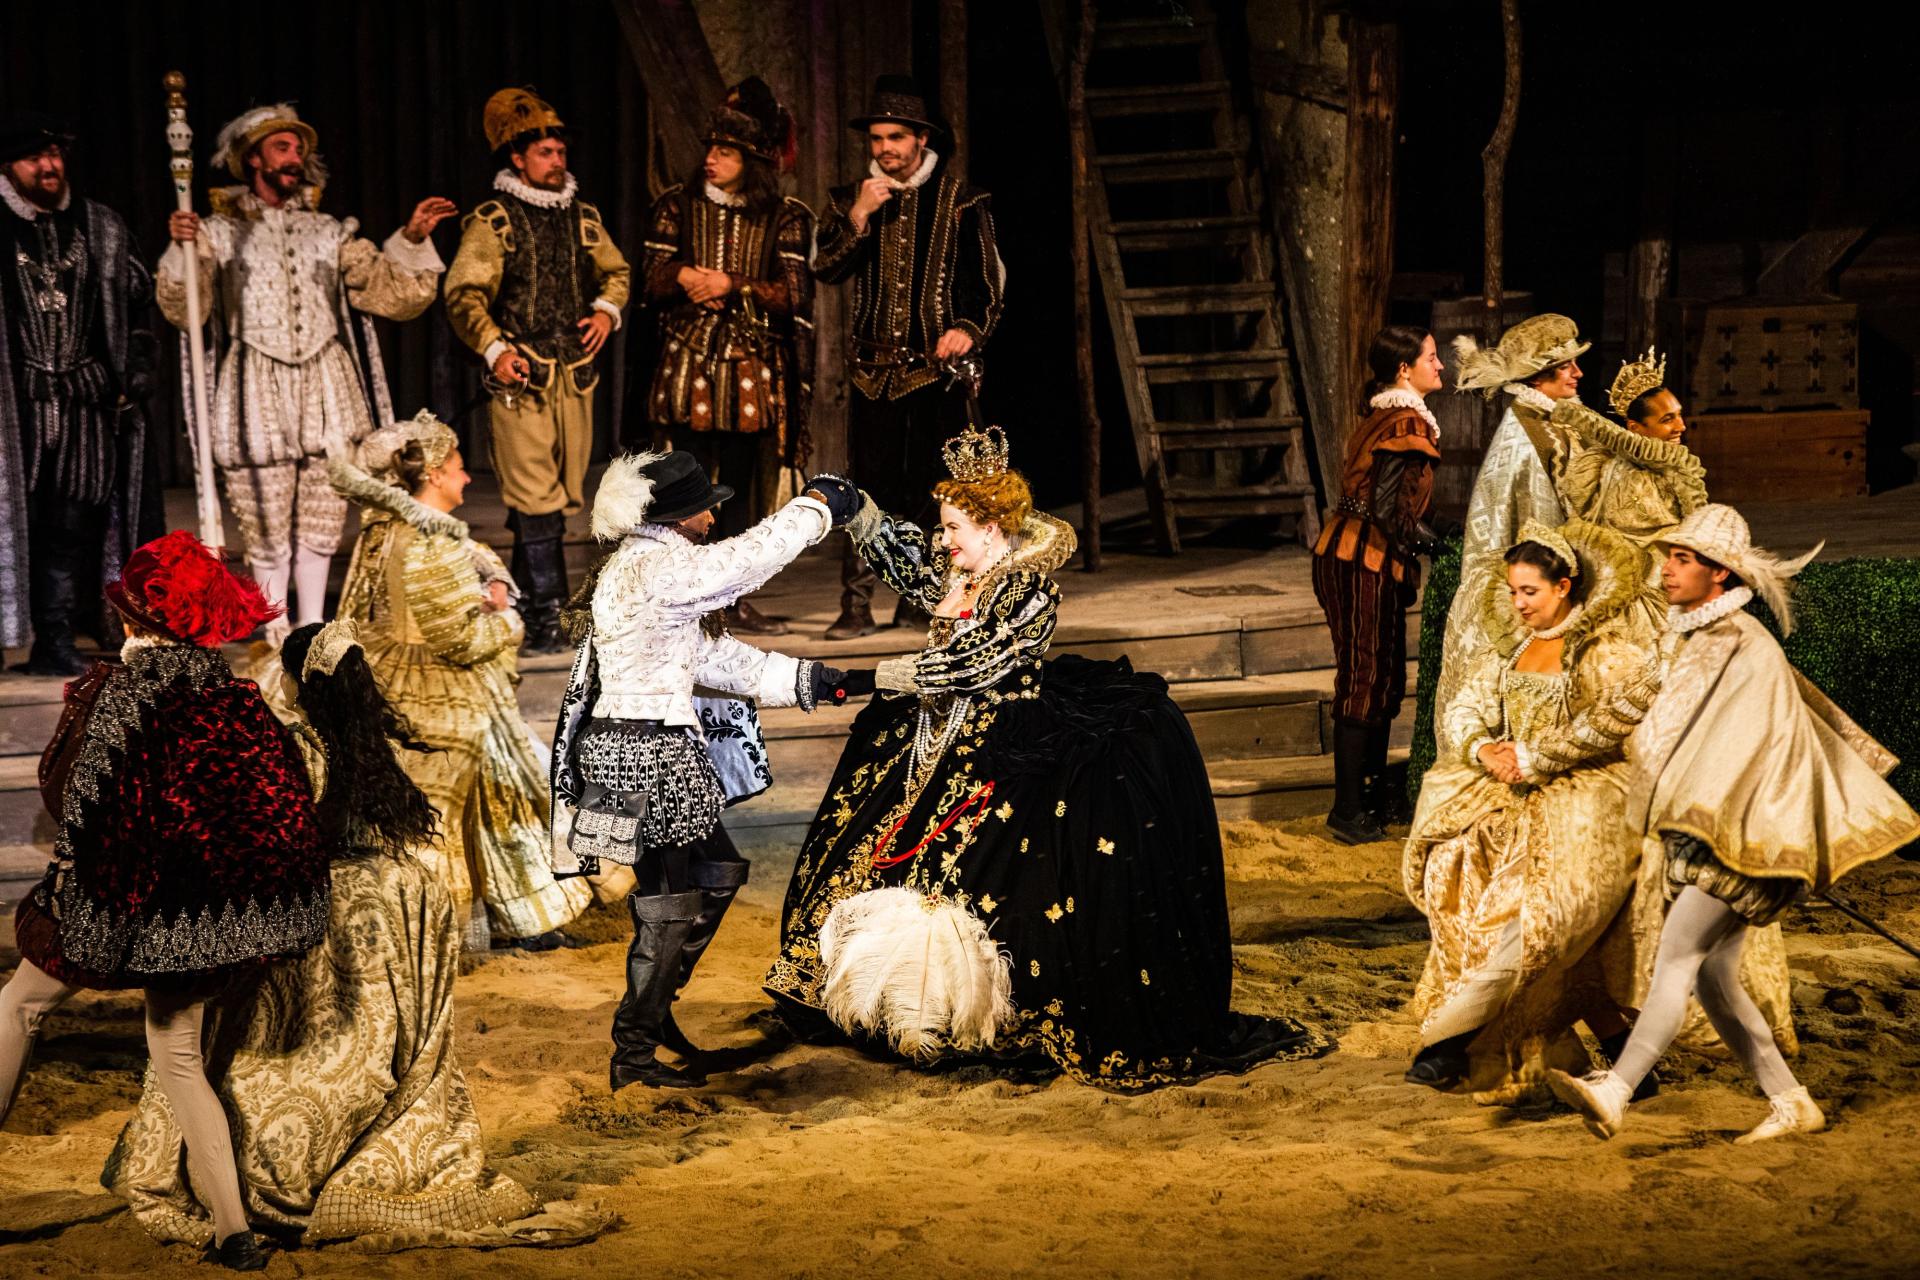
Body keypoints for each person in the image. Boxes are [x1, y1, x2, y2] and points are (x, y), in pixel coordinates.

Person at [765, 424, 1331, 1090]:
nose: (942, 541)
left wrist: (878, 677)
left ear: (990, 528)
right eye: (943, 529)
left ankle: (951, 1005)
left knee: (984, 875)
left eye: (952, 528)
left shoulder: (1028, 590)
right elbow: (909, 563)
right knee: (873, 838)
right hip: (934, 732)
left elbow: (972, 664)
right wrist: (857, 511)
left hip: (1007, 738)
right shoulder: (961, 568)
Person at [107, 619, 594, 1254]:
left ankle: (263, 1177)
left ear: (293, 682)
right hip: (396, 902)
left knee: (278, 1045)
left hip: (325, 906)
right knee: (381, 1045)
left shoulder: (287, 746)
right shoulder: (370, 745)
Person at [1538, 505, 1920, 1142]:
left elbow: (1745, 749)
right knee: (1714, 978)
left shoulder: (1739, 643)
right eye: (1669, 557)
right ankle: (1791, 1101)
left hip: (1747, 839)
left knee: (1676, 957)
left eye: (1683, 559)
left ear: (1719, 573)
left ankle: (1617, 1088)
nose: (1667, 569)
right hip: (1726, 832)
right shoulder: (1703, 638)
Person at [0, 531, 328, 1271]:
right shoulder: (238, 701)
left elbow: (71, 800)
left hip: (124, 902)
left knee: (19, 1006)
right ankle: (234, 1233)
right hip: (211, 921)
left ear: (133, 619)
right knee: (179, 1055)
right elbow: (281, 810)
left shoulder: (122, 695)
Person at [1397, 519, 1767, 1103]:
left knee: (1538, 916)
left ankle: (1452, 1042)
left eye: (1530, 591)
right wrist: (1484, 748)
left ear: (1564, 586)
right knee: (1468, 877)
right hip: (1508, 792)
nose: (1519, 604)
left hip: (1588, 795)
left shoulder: (1604, 651)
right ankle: (1625, 1058)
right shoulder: (1512, 650)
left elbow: (1610, 725)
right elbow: (1466, 706)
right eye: (1513, 592)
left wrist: (1534, 757)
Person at [551, 451, 861, 1091]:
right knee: (670, 902)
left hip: (638, 748)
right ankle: (634, 1054)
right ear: (678, 517)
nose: (715, 516)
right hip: (648, 755)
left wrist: (827, 681)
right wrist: (815, 510)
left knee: (717, 871)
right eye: (706, 508)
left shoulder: (642, 566)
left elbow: (716, 662)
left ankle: (655, 1007)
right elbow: (747, 561)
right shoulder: (658, 567)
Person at [158, 104, 454, 641]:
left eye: (299, 149)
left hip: (324, 386)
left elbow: (384, 289)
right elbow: (185, 309)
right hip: (255, 385)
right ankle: (274, 629)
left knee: (323, 512)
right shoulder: (219, 232)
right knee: (265, 517)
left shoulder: (329, 232)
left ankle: (314, 628)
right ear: (253, 159)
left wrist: (411, 238)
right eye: (282, 147)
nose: (295, 158)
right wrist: (184, 250)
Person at [330, 409, 591, 949]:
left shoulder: (386, 527)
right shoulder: (431, 542)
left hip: (397, 681)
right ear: (433, 475)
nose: (468, 478)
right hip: (443, 690)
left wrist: (486, 584)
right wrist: (509, 621)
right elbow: (461, 639)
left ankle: (496, 917)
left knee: (469, 801)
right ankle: (506, 920)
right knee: (489, 801)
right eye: (458, 468)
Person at [812, 75, 1005, 638]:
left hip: (931, 372)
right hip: (872, 373)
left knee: (930, 488)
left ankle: (920, 598)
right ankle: (855, 604)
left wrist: (966, 329)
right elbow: (825, 268)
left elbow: (989, 286)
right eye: (877, 139)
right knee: (865, 489)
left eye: (895, 137)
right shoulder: (850, 198)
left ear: (922, 138)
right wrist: (858, 216)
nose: (885, 149)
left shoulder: (961, 200)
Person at [444, 87, 631, 654]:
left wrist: (606, 310)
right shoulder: (494, 220)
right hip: (521, 379)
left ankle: (527, 604)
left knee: (559, 498)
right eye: (545, 153)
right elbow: (464, 292)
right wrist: (495, 348)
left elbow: (616, 272)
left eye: (560, 151)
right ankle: (552, 616)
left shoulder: (583, 216)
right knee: (535, 497)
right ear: (518, 159)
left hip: (573, 376)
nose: (557, 160)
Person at [640, 77, 815, 636]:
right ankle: (681, 592)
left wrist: (732, 283)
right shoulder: (677, 205)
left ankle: (732, 598)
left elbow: (794, 294)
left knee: (737, 487)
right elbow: (650, 279)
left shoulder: (784, 216)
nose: (711, 159)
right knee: (684, 482)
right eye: (711, 149)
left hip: (748, 367)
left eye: (726, 152)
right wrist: (684, 275)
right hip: (688, 360)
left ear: (751, 162)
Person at [1, 113, 159, 674]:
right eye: (34, 158)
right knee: (18, 522)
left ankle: (60, 636)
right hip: (13, 412)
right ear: (8, 166)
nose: (49, 167)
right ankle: (22, 635)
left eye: (55, 156)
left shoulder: (99, 226)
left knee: (72, 523)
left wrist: (134, 367)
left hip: (84, 407)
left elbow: (139, 303)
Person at [1311, 325, 1448, 842]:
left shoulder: (1389, 415)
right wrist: (1437, 546)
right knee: (1366, 676)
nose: (1440, 365)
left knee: (1382, 676)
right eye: (1431, 357)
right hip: (1360, 557)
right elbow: (1390, 511)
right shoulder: (1405, 421)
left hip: (1366, 555)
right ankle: (1348, 809)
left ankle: (1367, 799)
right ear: (1404, 369)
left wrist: (1446, 531)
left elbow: (1405, 503)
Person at [1432, 314, 1589, 760]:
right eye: (1566, 366)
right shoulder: (1524, 439)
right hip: (1535, 588)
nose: (1577, 373)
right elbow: (1540, 527)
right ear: (1538, 377)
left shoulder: (1554, 420)